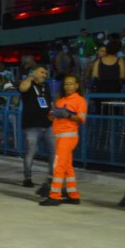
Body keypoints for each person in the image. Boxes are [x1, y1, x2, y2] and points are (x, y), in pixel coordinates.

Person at [39, 74, 87, 206]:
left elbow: (82, 119)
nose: (68, 86)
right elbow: (50, 118)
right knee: (67, 167)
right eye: (66, 84)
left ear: (77, 86)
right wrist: (52, 111)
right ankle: (73, 195)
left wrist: (68, 115)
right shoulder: (60, 100)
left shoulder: (80, 100)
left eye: (71, 83)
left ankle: (55, 196)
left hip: (68, 135)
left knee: (58, 166)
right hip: (59, 135)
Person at [18, 65, 55, 188]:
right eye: (42, 72)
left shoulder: (46, 86)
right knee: (31, 151)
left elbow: (49, 102)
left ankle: (51, 177)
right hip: (31, 125)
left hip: (47, 124)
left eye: (46, 73)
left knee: (53, 151)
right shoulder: (28, 83)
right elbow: (22, 88)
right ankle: (27, 178)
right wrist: (30, 77)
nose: (45, 75)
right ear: (34, 72)